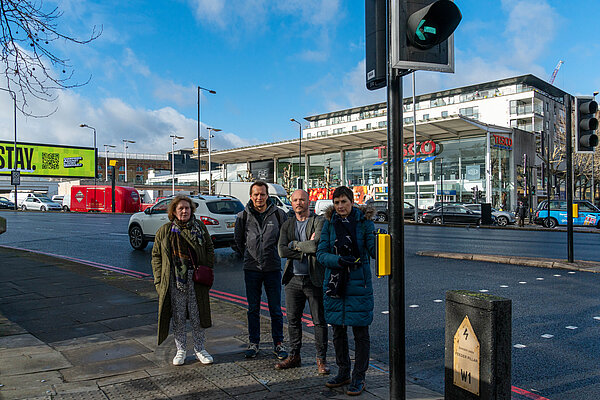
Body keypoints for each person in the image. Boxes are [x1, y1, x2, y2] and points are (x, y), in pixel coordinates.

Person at [317, 186, 375, 396]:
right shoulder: (328, 224)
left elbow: (374, 251)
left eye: (344, 201)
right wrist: (339, 260)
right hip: (335, 283)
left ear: (352, 202)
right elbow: (321, 254)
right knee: (338, 332)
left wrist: (383, 238)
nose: (340, 206)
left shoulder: (364, 223)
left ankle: (359, 377)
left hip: (359, 285)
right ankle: (344, 372)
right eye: (337, 202)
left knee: (360, 332)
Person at [151, 195, 215, 366]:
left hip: (195, 278)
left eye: (187, 208)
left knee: (197, 315)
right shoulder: (165, 231)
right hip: (175, 280)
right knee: (178, 317)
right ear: (173, 211)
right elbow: (156, 256)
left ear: (192, 210)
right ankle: (181, 350)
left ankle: (200, 349)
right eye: (180, 208)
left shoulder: (199, 227)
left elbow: (209, 247)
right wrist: (159, 281)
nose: (184, 211)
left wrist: (207, 266)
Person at [276, 189, 330, 374]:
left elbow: (316, 246)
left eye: (302, 200)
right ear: (291, 203)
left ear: (309, 201)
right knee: (292, 320)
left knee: (319, 321)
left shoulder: (319, 221)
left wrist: (295, 245)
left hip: (313, 278)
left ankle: (321, 359)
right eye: (295, 200)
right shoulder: (287, 224)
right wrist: (305, 246)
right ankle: (294, 356)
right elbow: (282, 251)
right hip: (293, 279)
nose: (299, 203)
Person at [234, 181, 288, 359]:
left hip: (272, 267)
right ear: (251, 196)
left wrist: (274, 254)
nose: (259, 197)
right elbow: (239, 241)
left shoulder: (279, 214)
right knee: (253, 309)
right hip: (251, 269)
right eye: (256, 194)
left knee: (275, 309)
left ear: (267, 196)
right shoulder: (243, 216)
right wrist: (250, 256)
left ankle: (278, 344)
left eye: (262, 194)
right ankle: (254, 343)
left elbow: (284, 239)